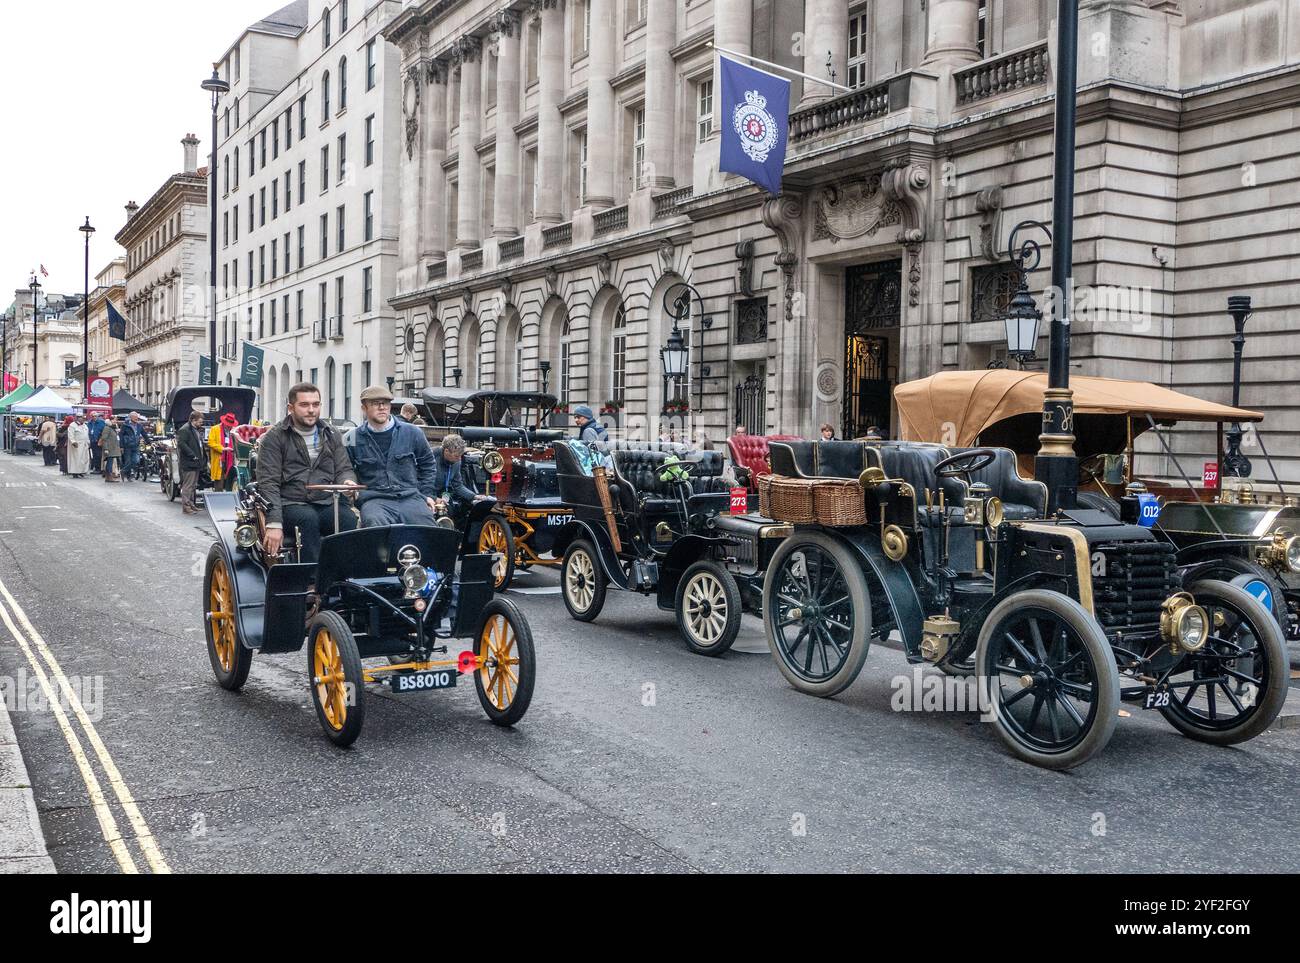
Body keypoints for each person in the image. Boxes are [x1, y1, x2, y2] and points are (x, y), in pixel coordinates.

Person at [256, 382, 360, 563]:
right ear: (291, 407)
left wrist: (347, 483)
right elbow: (268, 482)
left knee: (348, 519)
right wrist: (273, 523)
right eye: (304, 405)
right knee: (308, 519)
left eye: (316, 404)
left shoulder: (331, 433)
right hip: (290, 502)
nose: (311, 410)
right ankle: (312, 581)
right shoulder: (275, 437)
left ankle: (342, 574)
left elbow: (344, 469)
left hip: (326, 501)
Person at [346, 384, 440, 527]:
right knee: (375, 527)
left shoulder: (413, 433)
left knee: (427, 531)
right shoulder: (351, 438)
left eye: (386, 403)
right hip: (374, 499)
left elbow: (428, 465)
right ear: (364, 408)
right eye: (375, 404)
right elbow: (345, 468)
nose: (382, 407)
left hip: (410, 498)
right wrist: (350, 484)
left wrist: (426, 495)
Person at [431, 434, 487, 523]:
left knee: (452, 514)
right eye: (457, 456)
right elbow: (419, 485)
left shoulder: (456, 461)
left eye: (460, 456)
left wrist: (474, 496)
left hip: (443, 495)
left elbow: (458, 485)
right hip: (427, 495)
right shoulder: (430, 458)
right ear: (446, 451)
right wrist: (433, 498)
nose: (459, 459)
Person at [177, 410, 207, 514]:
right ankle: (186, 507)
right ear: (193, 420)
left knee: (193, 485)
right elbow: (181, 444)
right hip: (189, 462)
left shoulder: (194, 429)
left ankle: (191, 504)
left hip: (196, 462)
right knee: (188, 485)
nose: (201, 423)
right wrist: (192, 455)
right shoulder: (185, 430)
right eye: (199, 421)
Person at [208, 412, 238, 492]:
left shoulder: (233, 432)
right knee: (219, 481)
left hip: (230, 459)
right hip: (219, 459)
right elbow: (211, 442)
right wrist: (223, 449)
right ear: (224, 423)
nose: (229, 427)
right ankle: (218, 499)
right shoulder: (214, 429)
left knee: (229, 479)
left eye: (231, 425)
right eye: (228, 425)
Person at [120, 413, 143, 480]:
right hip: (127, 446)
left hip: (136, 445)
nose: (136, 418)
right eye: (135, 417)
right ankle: (128, 476)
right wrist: (121, 446)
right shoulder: (125, 425)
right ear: (130, 418)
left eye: (137, 417)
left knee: (136, 460)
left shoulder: (139, 425)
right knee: (128, 461)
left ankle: (123, 471)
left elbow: (144, 434)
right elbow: (121, 435)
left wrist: (149, 442)